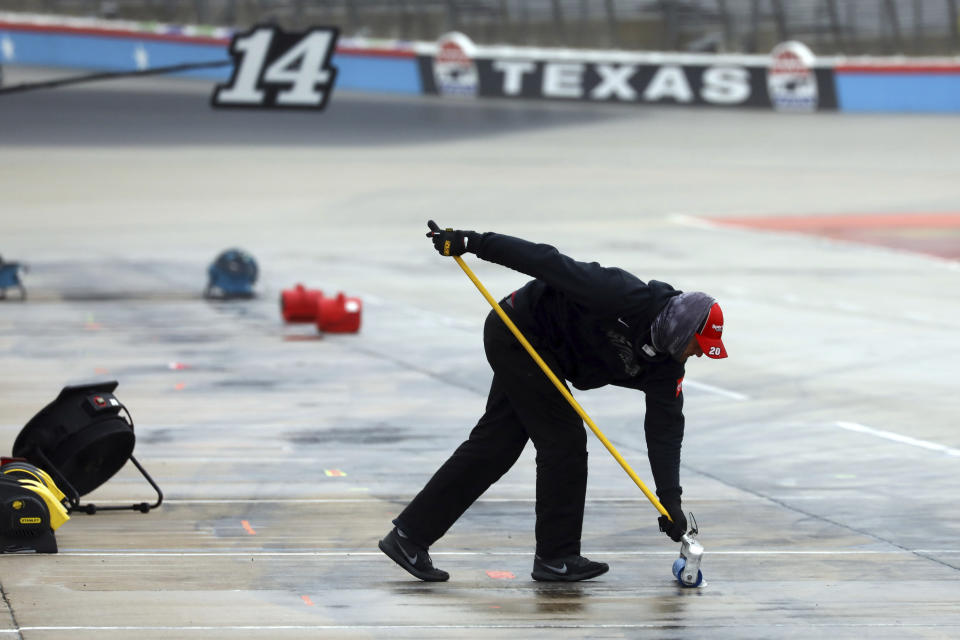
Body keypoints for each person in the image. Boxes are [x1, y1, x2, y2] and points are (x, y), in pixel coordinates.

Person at [379, 223, 727, 582]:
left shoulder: (667, 366)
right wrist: (472, 242)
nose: (698, 354)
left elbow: (665, 430)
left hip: (550, 358)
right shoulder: (620, 295)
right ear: (683, 329)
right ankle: (556, 557)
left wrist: (670, 500)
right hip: (519, 330)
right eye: (698, 346)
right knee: (564, 442)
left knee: (495, 445)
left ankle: (408, 537)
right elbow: (545, 261)